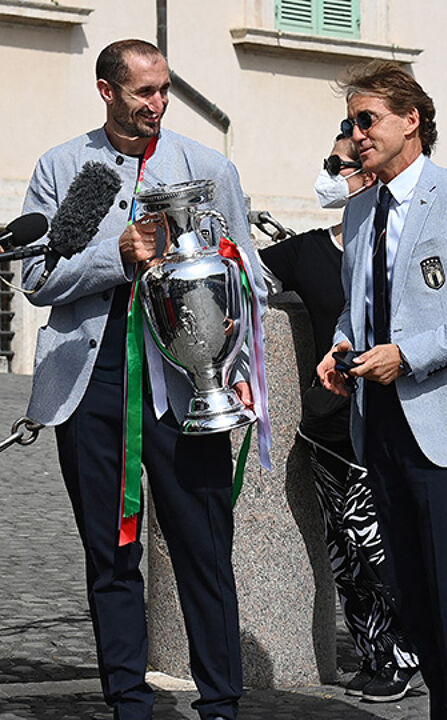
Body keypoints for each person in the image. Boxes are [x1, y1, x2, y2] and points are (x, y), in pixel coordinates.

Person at [21, 39, 266, 720]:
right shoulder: (63, 166)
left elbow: (247, 275)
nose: (158, 104)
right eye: (143, 92)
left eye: (164, 90)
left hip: (189, 384)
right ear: (108, 92)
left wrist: (239, 362)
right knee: (111, 554)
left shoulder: (207, 166)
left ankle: (221, 703)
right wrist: (116, 254)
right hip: (91, 382)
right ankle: (128, 701)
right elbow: (37, 277)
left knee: (204, 547)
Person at [317, 61, 447, 720]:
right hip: (377, 421)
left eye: (367, 119)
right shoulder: (361, 206)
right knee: (408, 589)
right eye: (351, 121)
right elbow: (360, 305)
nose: (357, 133)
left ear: (412, 120)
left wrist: (407, 357)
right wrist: (341, 346)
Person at [259, 136, 421, 702]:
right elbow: (242, 276)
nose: (326, 173)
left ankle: (408, 652)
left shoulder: (400, 247)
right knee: (346, 553)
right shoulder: (306, 251)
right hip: (330, 427)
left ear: (369, 172)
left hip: (393, 424)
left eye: (336, 164)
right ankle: (375, 653)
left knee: (381, 548)